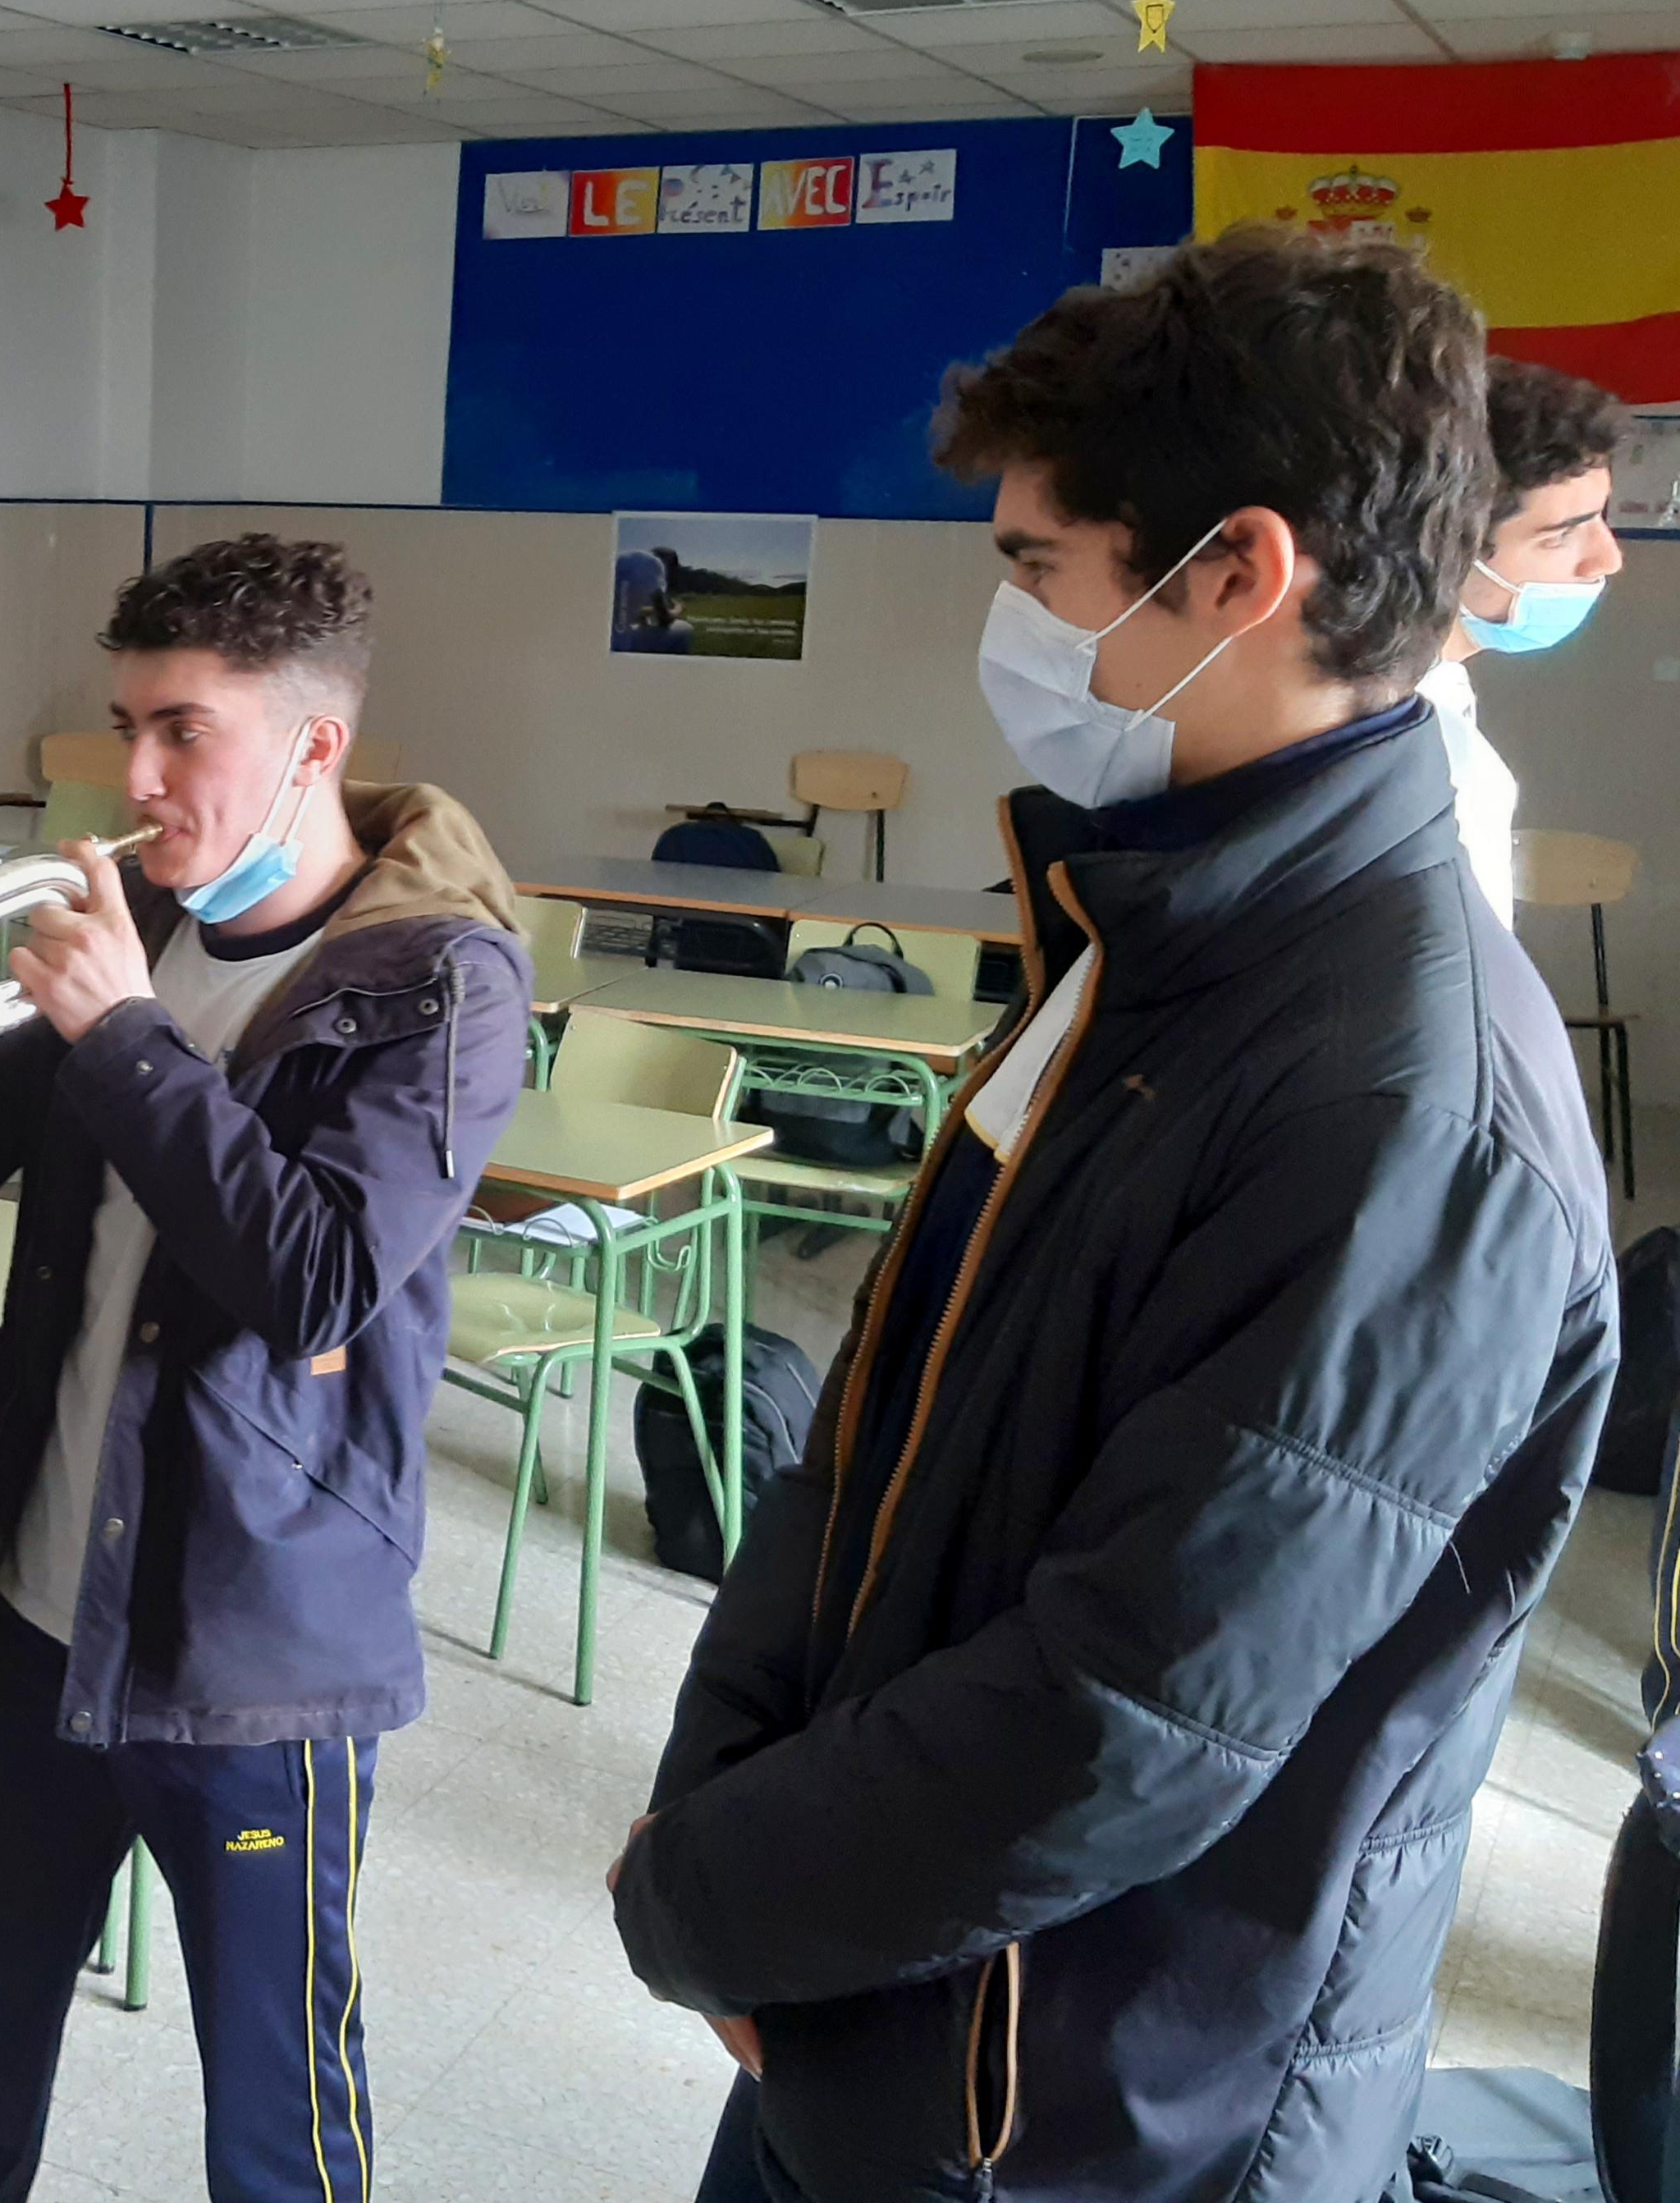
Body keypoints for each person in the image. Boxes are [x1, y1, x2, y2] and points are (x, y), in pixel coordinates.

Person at [611, 227, 1621, 2203]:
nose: (1010, 626)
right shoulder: (1145, 934)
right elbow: (883, 1425)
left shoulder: (1403, 1108)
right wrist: (717, 1809)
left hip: (1091, 2106)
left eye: (1033, 571)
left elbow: (1128, 1710)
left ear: (1236, 574)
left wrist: (711, 1901)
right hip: (874, 1977)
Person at [0, 534, 529, 2203]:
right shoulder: (127, 915)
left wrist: (125, 1036)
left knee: (274, 2125)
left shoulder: (441, 981)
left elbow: (307, 1275)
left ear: (311, 743)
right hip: (35, 1603)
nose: (133, 777)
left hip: (252, 1642)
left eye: (180, 731)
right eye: (121, 725)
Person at [1417, 354, 1629, 919]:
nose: (1606, 559)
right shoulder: (1399, 737)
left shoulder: (1440, 695)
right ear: (1444, 546)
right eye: (1563, 535)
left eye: (1600, 519)